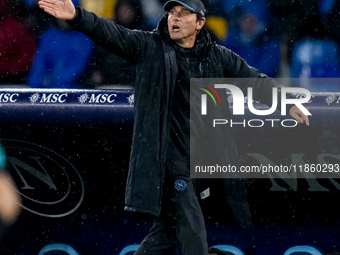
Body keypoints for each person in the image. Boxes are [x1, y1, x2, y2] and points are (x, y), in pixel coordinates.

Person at [38, 0, 309, 254]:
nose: (174, 18)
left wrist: (287, 103)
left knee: (166, 233)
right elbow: (111, 33)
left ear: (200, 22)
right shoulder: (150, 47)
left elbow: (253, 79)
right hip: (165, 162)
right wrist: (77, 16)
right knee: (193, 232)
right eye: (172, 12)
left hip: (197, 163)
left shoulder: (216, 56)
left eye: (183, 13)